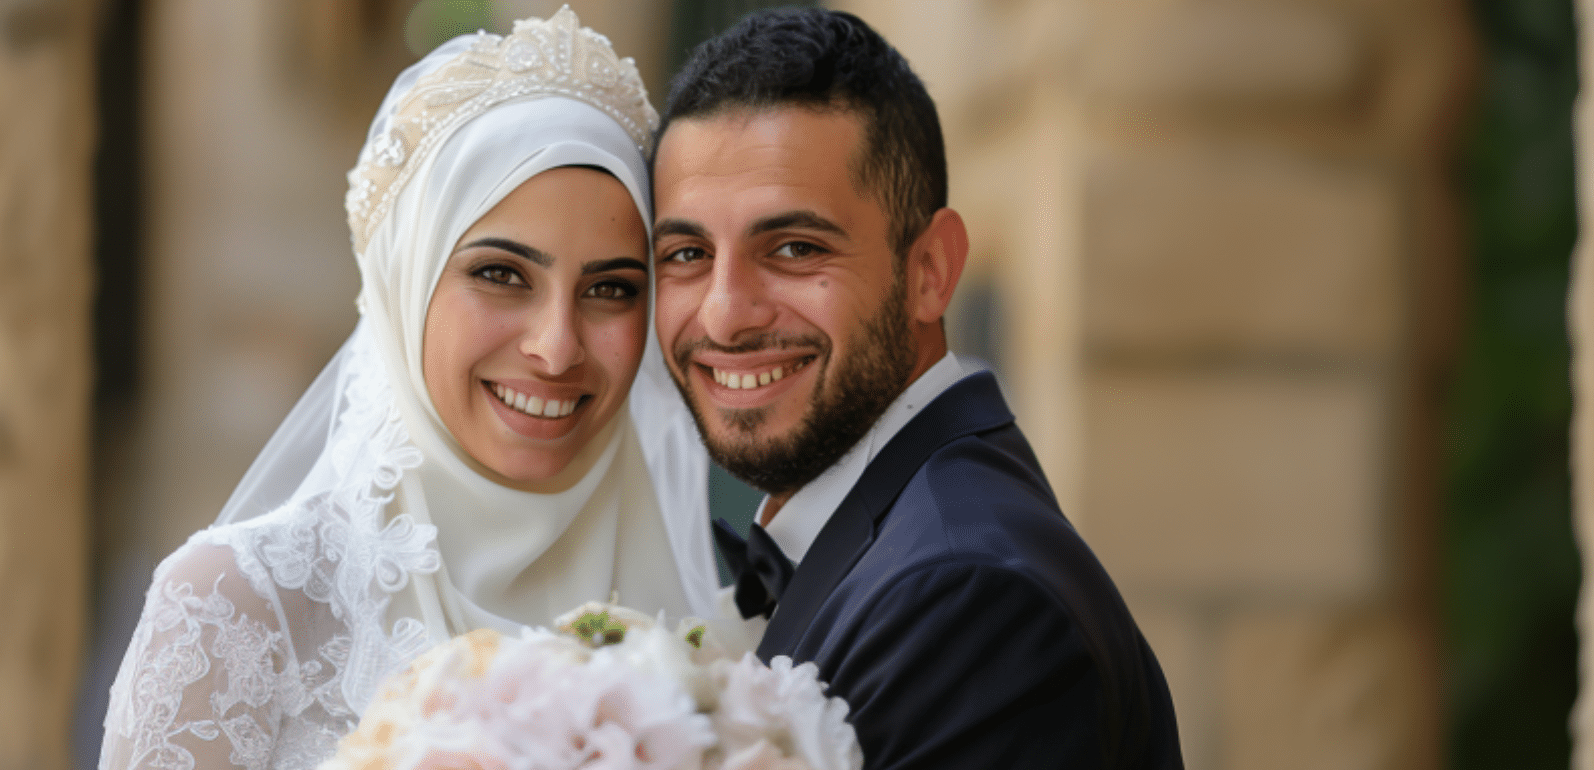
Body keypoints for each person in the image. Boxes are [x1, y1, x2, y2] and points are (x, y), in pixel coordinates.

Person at [98, 10, 719, 770]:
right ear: (405, 281)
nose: (556, 347)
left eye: (612, 289)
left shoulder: (700, 626)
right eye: (500, 275)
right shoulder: (232, 613)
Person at [650, 8, 1183, 769]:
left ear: (929, 271)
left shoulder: (972, 599)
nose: (726, 313)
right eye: (686, 253)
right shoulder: (902, 541)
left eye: (795, 248)